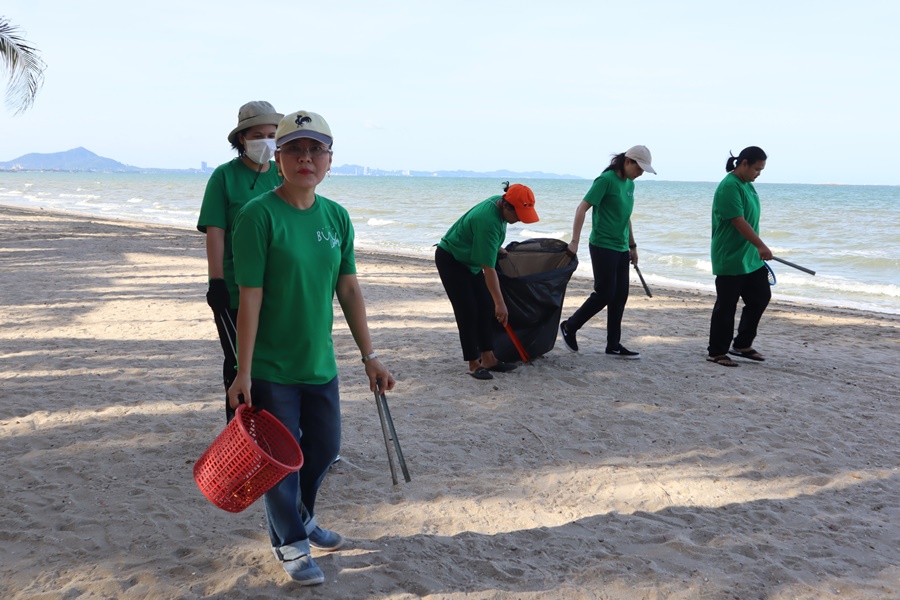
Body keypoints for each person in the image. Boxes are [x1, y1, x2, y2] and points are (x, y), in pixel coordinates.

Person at [227, 110, 395, 585]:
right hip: (272, 367)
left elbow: (349, 290)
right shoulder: (257, 215)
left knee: (323, 449)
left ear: (329, 159)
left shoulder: (337, 217)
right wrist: (243, 371)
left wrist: (370, 357)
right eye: (295, 149)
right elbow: (249, 298)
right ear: (277, 158)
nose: (306, 158)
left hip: (320, 363)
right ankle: (291, 543)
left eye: (315, 150)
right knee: (282, 461)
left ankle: (300, 516)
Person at [197, 101, 283, 421]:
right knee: (237, 363)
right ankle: (238, 432)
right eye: (257, 135)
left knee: (271, 363)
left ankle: (273, 431)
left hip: (276, 289)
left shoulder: (283, 174)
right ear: (241, 139)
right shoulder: (224, 176)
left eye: (272, 134)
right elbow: (215, 232)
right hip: (234, 289)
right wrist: (216, 282)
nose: (266, 141)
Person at [435, 182, 539, 380]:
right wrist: (501, 304)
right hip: (452, 259)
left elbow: (481, 236)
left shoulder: (498, 205)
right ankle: (474, 364)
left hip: (470, 260)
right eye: (518, 214)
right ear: (506, 205)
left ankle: (489, 358)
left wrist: (496, 248)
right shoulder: (488, 221)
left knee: (485, 306)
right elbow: (488, 269)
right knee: (468, 311)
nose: (519, 219)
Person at [560, 145, 656, 359]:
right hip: (602, 245)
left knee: (620, 296)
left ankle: (613, 345)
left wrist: (632, 246)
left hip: (621, 247)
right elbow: (581, 208)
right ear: (628, 161)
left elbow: (625, 216)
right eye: (639, 168)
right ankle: (569, 326)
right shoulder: (605, 180)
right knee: (605, 293)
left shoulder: (630, 184)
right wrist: (574, 241)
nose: (641, 173)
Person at [706, 146, 772, 367]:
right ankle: (717, 352)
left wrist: (757, 248)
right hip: (730, 256)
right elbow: (738, 220)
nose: (758, 174)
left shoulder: (747, 185)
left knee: (760, 297)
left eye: (761, 170)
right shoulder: (729, 186)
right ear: (744, 163)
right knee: (726, 306)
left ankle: (742, 344)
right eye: (756, 169)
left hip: (750, 257)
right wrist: (761, 245)